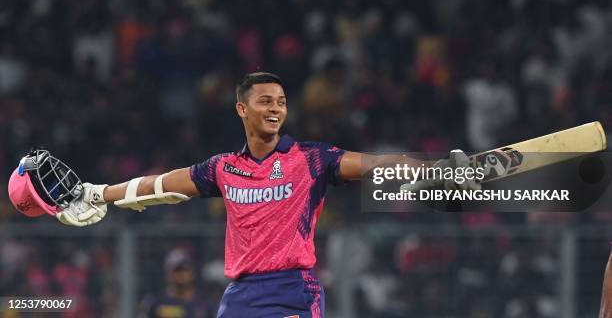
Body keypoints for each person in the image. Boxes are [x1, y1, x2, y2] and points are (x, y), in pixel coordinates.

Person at [49, 72, 477, 317]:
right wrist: (100, 192)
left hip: (293, 289)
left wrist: (434, 168)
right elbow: (159, 187)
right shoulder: (223, 168)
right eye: (265, 101)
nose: (275, 108)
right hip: (240, 296)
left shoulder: (311, 159)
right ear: (242, 109)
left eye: (282, 101)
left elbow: (373, 163)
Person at [140, 248, 213, 318]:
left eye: (184, 270)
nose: (180, 274)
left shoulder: (204, 304)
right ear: (168, 274)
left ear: (192, 273)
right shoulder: (156, 303)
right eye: (176, 270)